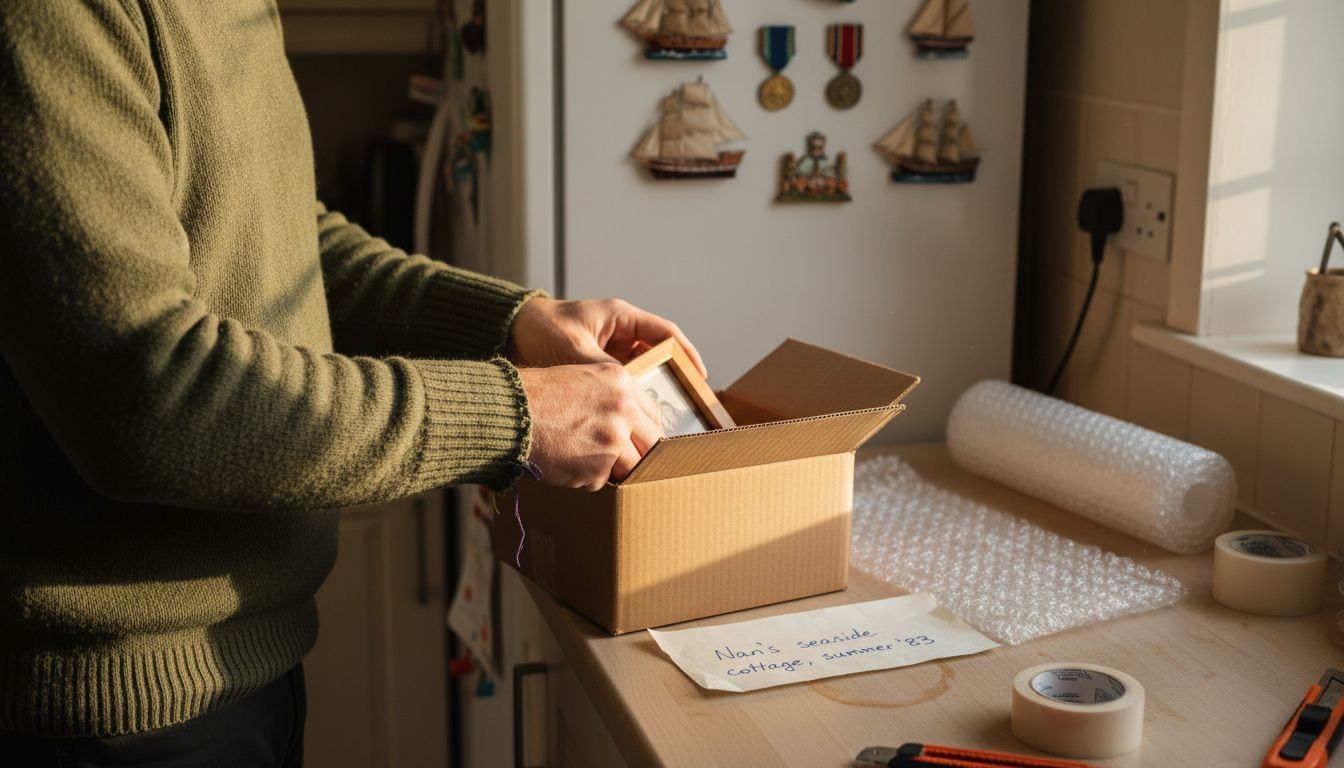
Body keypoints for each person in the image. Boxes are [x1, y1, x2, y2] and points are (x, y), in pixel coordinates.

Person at [0, 3, 701, 765]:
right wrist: (516, 411)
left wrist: (512, 320)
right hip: (103, 715)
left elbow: (287, 246)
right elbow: (146, 398)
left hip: (251, 664)